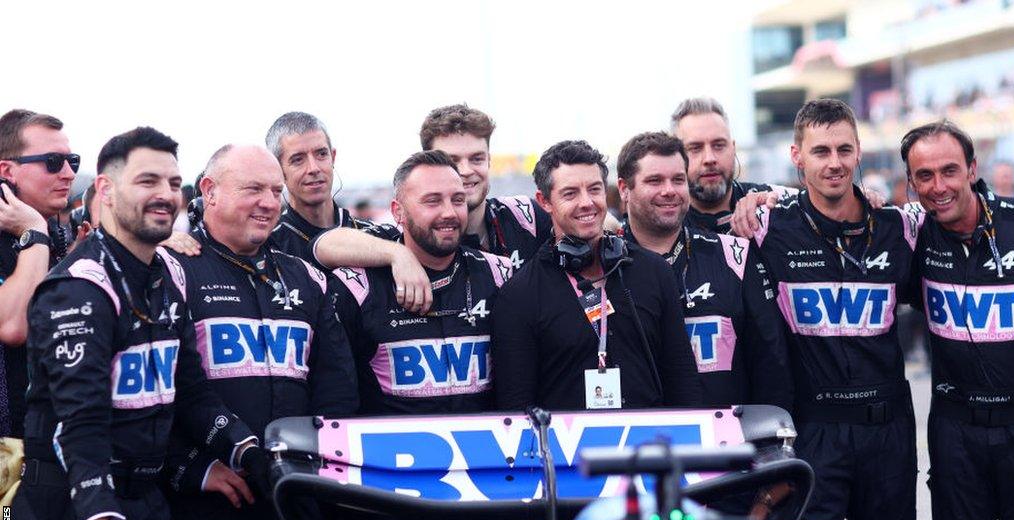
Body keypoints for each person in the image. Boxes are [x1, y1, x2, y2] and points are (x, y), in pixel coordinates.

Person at [12, 127, 262, 520]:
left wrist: (248, 451)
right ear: (106, 190)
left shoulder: (170, 274)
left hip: (148, 506)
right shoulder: (81, 287)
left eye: (171, 183)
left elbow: (190, 392)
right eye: (148, 181)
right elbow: (79, 422)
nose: (165, 194)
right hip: (71, 516)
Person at [160, 144, 359, 520]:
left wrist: (319, 474)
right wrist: (188, 468)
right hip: (207, 497)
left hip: (293, 496)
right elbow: (155, 389)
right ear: (209, 191)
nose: (269, 203)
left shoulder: (305, 276)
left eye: (274, 190)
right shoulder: (171, 266)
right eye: (253, 189)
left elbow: (336, 388)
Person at [736, 99, 919, 520]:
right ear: (797, 157)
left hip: (888, 430)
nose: (834, 163)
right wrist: (756, 195)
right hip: (812, 432)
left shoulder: (901, 227)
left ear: (858, 151)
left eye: (843, 150)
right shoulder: (764, 226)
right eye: (820, 151)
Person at [332, 150, 510, 520]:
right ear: (398, 210)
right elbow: (336, 402)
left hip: (478, 501)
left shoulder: (502, 276)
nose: (449, 212)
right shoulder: (358, 284)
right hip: (390, 507)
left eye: (457, 199)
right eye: (432, 201)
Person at [491, 140, 699, 411]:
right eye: (570, 194)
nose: (586, 203)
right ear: (545, 201)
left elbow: (683, 380)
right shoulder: (519, 295)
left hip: (650, 447)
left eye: (594, 189)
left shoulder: (653, 271)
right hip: (567, 451)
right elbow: (515, 408)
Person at [902, 121, 1014, 520]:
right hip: (954, 430)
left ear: (973, 169)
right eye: (925, 176)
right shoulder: (911, 236)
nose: (939, 187)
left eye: (949, 171)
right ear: (911, 182)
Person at [616, 131, 793, 411]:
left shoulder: (733, 255)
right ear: (624, 189)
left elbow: (771, 364)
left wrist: (769, 440)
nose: (669, 191)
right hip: (635, 443)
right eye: (654, 181)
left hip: (723, 443)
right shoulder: (602, 267)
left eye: (678, 180)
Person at [265, 111, 434, 314]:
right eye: (298, 159)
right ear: (277, 168)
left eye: (321, 154)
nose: (314, 168)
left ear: (333, 157)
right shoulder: (270, 245)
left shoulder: (379, 236)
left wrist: (401, 254)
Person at [0, 109, 78, 442]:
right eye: (52, 161)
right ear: (7, 171)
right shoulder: (39, 234)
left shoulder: (62, 235)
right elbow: (13, 325)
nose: (68, 174)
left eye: (72, 161)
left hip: (57, 446)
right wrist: (34, 233)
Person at [419, 104, 552, 270]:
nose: (466, 171)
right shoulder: (418, 238)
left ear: (489, 160)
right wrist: (397, 255)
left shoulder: (525, 215)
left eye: (476, 159)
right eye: (452, 161)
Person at [671, 98, 794, 234]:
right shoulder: (663, 226)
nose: (709, 158)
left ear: (733, 148)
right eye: (695, 148)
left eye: (719, 145)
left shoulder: (770, 202)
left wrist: (775, 206)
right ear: (676, 157)